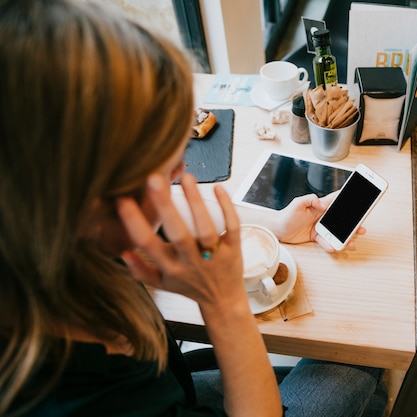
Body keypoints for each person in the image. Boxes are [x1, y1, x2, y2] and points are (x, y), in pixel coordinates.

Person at [0, 1, 387, 416]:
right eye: (163, 155)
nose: (181, 169)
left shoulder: (45, 236)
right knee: (365, 360)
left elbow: (175, 212)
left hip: (173, 379)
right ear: (83, 196)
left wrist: (277, 224)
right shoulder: (91, 400)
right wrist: (224, 307)